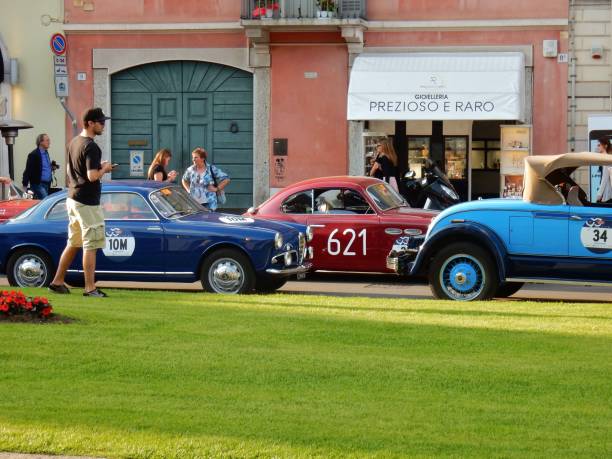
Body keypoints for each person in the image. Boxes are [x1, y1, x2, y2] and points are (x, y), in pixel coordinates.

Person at [48, 108, 114, 298]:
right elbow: (92, 176)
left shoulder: (74, 142)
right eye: (101, 122)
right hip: (87, 202)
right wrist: (105, 169)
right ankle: (89, 288)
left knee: (73, 242)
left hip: (73, 198)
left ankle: (57, 282)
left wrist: (91, 173)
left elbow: (70, 170)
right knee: (90, 244)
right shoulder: (92, 146)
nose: (103, 125)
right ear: (90, 123)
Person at [182, 147, 230, 211]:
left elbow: (226, 179)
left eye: (196, 157)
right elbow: (184, 180)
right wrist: (188, 190)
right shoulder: (190, 170)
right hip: (194, 203)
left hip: (209, 203)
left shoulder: (211, 169)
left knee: (208, 220)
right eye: (193, 157)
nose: (193, 159)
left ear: (202, 158)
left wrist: (217, 188)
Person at [22, 133, 54, 199]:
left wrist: (51, 167)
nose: (49, 142)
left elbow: (43, 167)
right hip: (38, 184)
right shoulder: (33, 154)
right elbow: (28, 170)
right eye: (47, 140)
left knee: (40, 203)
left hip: (47, 184)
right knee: (46, 201)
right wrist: (24, 185)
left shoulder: (46, 153)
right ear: (41, 142)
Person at [596, 137, 612, 203]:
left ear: (605, 146)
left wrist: (599, 194)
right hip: (607, 194)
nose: (597, 147)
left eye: (599, 145)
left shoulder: (606, 159)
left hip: (607, 194)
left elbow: (604, 178)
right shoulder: (605, 158)